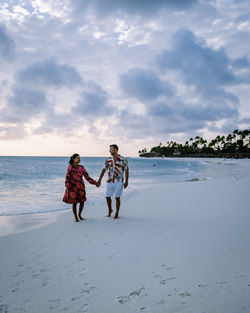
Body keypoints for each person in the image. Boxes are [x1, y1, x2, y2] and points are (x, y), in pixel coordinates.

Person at [63, 153, 98, 222]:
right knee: (74, 202)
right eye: (77, 158)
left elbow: (87, 177)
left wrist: (95, 183)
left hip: (81, 187)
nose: (79, 159)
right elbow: (67, 179)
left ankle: (79, 215)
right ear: (73, 159)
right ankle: (76, 217)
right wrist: (68, 188)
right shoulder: (70, 168)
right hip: (72, 188)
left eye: (79, 158)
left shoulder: (82, 168)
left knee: (82, 202)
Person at [97, 144, 129, 219]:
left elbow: (127, 170)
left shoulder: (123, 159)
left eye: (111, 149)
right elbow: (104, 169)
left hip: (119, 181)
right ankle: (110, 210)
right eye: (110, 149)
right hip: (110, 181)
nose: (110, 150)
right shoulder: (108, 159)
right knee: (107, 196)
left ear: (116, 149)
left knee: (117, 197)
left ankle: (117, 212)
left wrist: (126, 182)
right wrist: (99, 180)